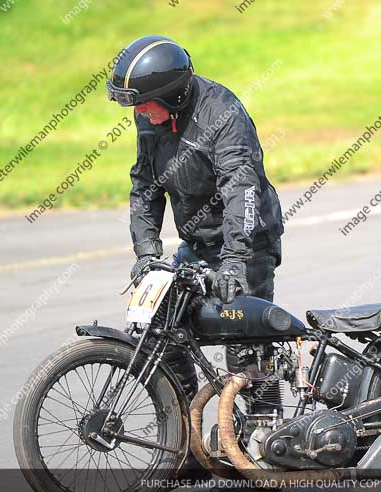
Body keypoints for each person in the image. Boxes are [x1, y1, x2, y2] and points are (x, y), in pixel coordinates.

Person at [107, 35, 284, 398]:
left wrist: (235, 260)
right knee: (159, 327)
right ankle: (184, 430)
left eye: (143, 104)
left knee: (246, 352)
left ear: (172, 95)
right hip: (197, 244)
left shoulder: (223, 115)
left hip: (247, 245)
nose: (138, 113)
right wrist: (146, 252)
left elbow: (242, 189)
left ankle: (264, 440)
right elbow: (146, 184)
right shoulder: (151, 121)